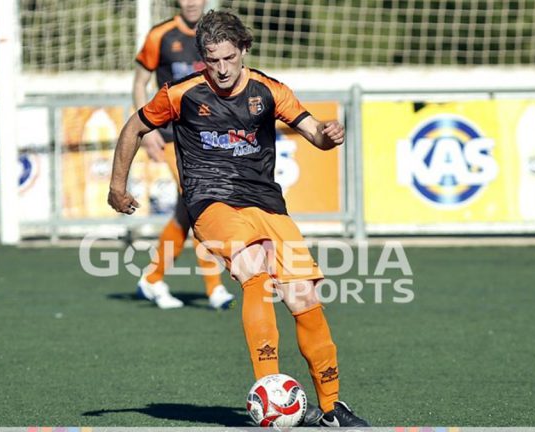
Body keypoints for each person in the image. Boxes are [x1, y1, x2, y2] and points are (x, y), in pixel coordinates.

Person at [108, 10, 369, 427]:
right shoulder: (181, 93)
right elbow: (133, 128)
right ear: (203, 57)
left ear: (243, 50)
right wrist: (116, 187)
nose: (222, 69)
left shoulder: (269, 90)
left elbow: (314, 132)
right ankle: (270, 391)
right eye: (212, 60)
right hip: (211, 202)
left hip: (266, 203)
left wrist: (328, 135)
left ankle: (331, 408)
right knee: (256, 271)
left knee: (303, 297)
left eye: (229, 58)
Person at [132, 0, 235, 310]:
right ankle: (214, 287)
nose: (191, 2)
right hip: (172, 137)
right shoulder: (160, 35)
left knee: (185, 212)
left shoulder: (219, 36)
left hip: (208, 136)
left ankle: (152, 278)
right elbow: (140, 82)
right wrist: (146, 129)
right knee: (200, 202)